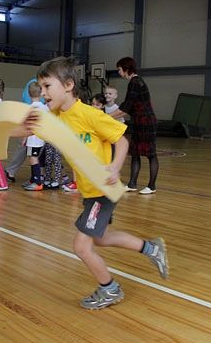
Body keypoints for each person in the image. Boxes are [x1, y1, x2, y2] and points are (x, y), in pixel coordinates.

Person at [27, 56, 168, 309]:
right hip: (89, 192)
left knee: (81, 247)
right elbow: (28, 129)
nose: (43, 92)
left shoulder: (89, 114)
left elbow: (123, 140)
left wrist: (114, 167)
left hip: (102, 189)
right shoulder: (58, 117)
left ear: (68, 85)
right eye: (42, 87)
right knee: (99, 239)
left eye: (48, 86)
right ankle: (151, 249)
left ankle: (110, 289)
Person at [108, 57, 159, 195]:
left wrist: (104, 117)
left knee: (151, 154)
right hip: (138, 121)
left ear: (126, 68)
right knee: (135, 152)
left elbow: (126, 107)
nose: (119, 72)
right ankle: (132, 184)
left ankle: (152, 185)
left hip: (146, 122)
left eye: (119, 69)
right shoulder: (135, 82)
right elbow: (128, 108)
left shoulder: (135, 82)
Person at [23, 82, 48, 191]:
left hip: (33, 139)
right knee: (34, 158)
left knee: (33, 159)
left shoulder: (30, 108)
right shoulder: (44, 107)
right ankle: (33, 179)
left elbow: (28, 125)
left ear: (29, 94)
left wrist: (24, 137)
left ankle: (37, 182)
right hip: (41, 138)